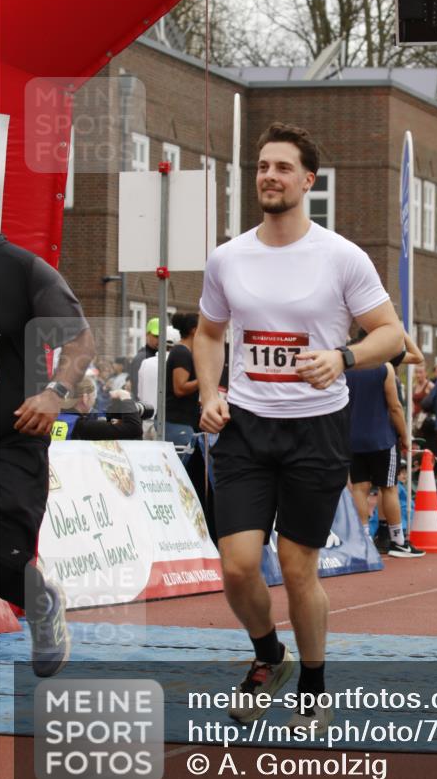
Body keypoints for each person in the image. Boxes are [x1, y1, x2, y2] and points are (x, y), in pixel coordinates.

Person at [194, 121, 404, 730]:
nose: (269, 176)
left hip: (316, 427)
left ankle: (313, 684)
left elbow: (391, 334)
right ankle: (269, 656)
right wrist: (211, 393)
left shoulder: (341, 256)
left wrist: (341, 357)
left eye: (283, 168)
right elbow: (209, 334)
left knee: (296, 566)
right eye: (262, 166)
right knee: (235, 564)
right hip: (246, 425)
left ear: (308, 181)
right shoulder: (228, 258)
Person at [0, 231, 94, 676]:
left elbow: (80, 342)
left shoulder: (24, 269)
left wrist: (55, 393)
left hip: (13, 434)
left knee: (0, 554)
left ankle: (41, 601)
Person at [347, 362, 424, 558]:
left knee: (359, 488)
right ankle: (398, 541)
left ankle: (362, 540)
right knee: (389, 487)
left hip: (353, 436)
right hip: (382, 438)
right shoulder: (384, 368)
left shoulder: (346, 365)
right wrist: (405, 436)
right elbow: (395, 406)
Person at [50, 378, 144, 441]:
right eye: (94, 396)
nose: (95, 400)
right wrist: (125, 397)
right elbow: (133, 428)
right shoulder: (83, 427)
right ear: (85, 398)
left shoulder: (47, 419)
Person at [165, 312, 200, 447]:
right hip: (176, 422)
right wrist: (203, 380)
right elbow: (180, 388)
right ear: (194, 330)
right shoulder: (182, 353)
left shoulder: (185, 352)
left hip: (182, 422)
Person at [128, 317, 160, 398]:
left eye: (163, 336)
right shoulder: (141, 358)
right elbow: (137, 389)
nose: (160, 339)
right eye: (156, 336)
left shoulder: (162, 356)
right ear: (147, 335)